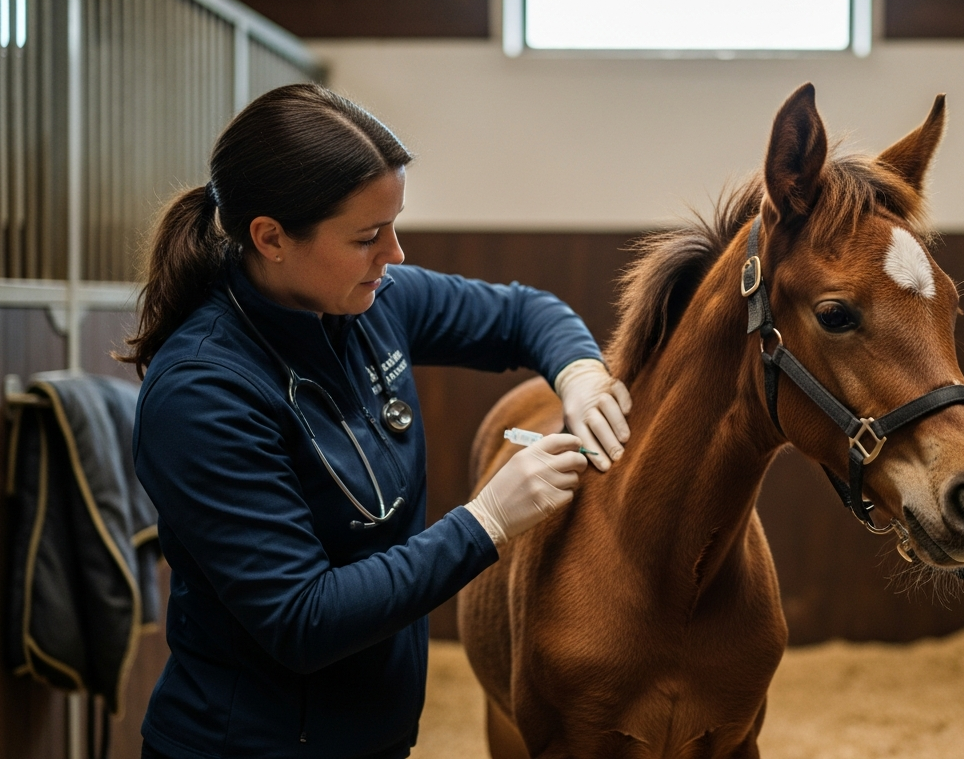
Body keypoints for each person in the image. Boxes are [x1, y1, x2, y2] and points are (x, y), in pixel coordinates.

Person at [121, 83, 632, 759]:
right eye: (366, 236)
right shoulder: (204, 393)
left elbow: (521, 314)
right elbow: (302, 618)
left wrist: (581, 374)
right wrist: (487, 523)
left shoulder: (366, 301)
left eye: (393, 225)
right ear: (270, 237)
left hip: (374, 735)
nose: (393, 254)